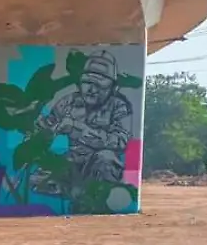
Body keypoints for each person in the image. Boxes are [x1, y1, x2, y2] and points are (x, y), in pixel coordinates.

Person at [33, 50, 133, 197]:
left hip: (99, 165)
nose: (91, 90)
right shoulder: (68, 102)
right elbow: (48, 125)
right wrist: (40, 127)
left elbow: (121, 141)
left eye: (99, 85)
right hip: (72, 161)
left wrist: (77, 130)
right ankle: (76, 193)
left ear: (113, 88)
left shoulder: (119, 107)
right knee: (36, 180)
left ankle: (91, 198)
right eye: (87, 83)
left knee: (106, 159)